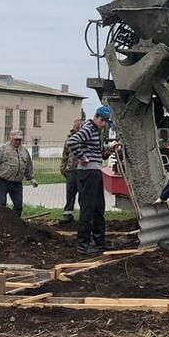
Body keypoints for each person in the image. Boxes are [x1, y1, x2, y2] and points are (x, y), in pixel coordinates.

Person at [68, 105, 118, 256]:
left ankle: (98, 241)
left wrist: (109, 148)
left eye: (106, 121)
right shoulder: (89, 128)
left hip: (95, 171)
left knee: (98, 207)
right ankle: (83, 244)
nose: (103, 123)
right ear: (96, 117)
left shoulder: (97, 131)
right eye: (102, 120)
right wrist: (83, 157)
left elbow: (99, 152)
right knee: (88, 208)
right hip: (88, 171)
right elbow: (72, 142)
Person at [0, 129, 38, 217]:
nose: (18, 142)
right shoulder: (3, 149)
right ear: (10, 138)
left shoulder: (24, 151)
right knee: (1, 205)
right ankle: (1, 223)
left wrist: (31, 178)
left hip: (17, 184)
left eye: (19, 140)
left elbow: (28, 165)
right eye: (15, 139)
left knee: (18, 206)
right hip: (3, 182)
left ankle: (15, 224)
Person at [59, 117, 83, 224]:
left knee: (83, 194)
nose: (78, 129)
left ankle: (84, 214)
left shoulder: (85, 138)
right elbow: (65, 155)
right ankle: (68, 213)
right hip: (71, 170)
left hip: (82, 170)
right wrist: (63, 168)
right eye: (76, 127)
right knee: (70, 193)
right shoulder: (69, 139)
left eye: (80, 127)